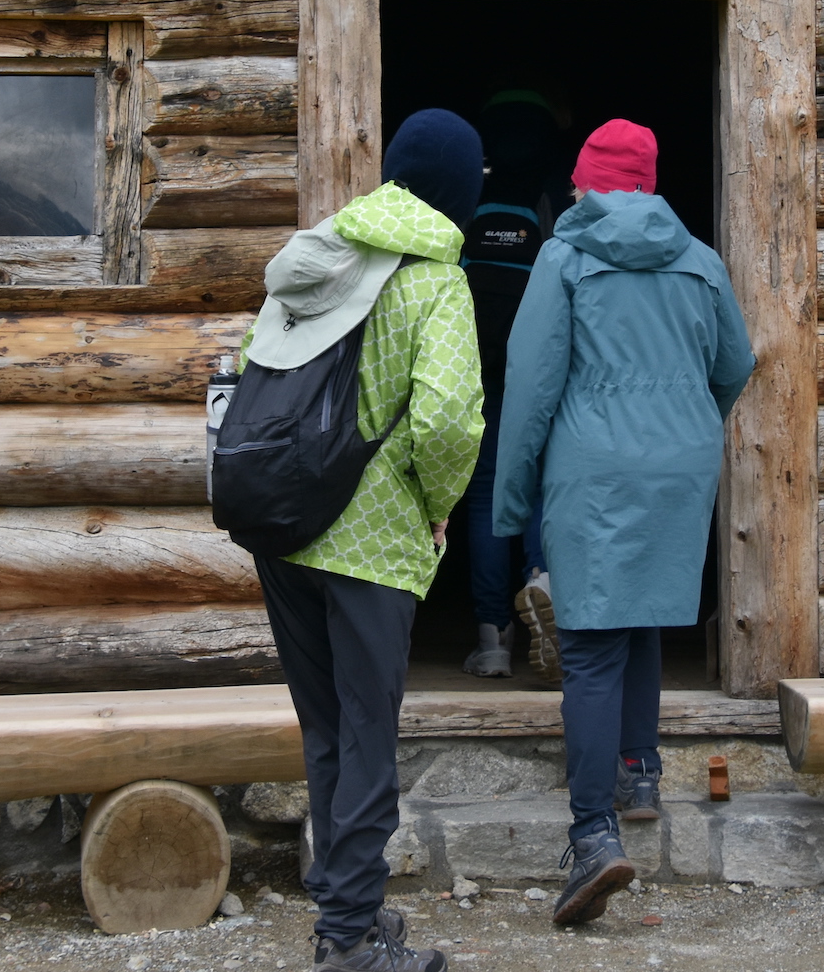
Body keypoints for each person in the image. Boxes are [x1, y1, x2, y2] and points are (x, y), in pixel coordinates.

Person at [493, 119, 755, 927]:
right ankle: (638, 772)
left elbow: (532, 382)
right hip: (679, 466)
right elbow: (736, 364)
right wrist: (686, 424)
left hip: (595, 467)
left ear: (591, 184)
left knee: (591, 647)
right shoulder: (702, 262)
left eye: (578, 180)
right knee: (640, 622)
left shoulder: (566, 257)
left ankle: (593, 836)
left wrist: (508, 502)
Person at [246, 108, 486, 972]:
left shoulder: (315, 259)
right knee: (369, 738)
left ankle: (348, 913)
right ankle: (347, 938)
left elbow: (248, 377)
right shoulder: (436, 282)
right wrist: (436, 503)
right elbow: (449, 422)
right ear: (460, 191)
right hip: (373, 545)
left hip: (285, 534)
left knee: (327, 735)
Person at [457, 94, 559, 680]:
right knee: (541, 481)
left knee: (487, 491)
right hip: (534, 358)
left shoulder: (473, 190)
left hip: (476, 358)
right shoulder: (546, 193)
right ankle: (543, 580)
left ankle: (491, 639)